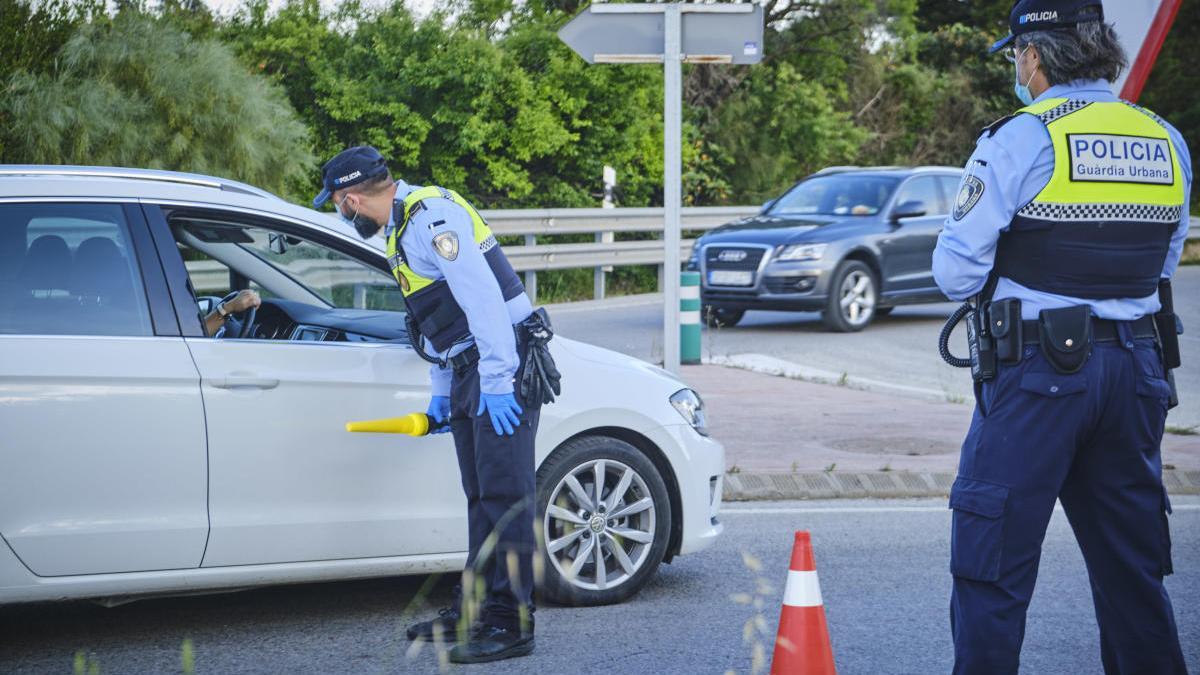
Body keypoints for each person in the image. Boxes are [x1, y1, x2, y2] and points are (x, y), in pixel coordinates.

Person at [932, 1, 1191, 673]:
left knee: (992, 571)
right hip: (1136, 371)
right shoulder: (1164, 138)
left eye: (1017, 56)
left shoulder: (1021, 137)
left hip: (1039, 376)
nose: (1018, 69)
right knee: (1133, 572)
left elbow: (955, 272)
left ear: (1034, 56)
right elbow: (1162, 266)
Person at [314, 146, 559, 664]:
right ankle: (475, 608)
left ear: (352, 198)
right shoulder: (403, 229)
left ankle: (511, 624)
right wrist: (443, 392)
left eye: (338, 204)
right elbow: (437, 319)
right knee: (482, 497)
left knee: (508, 498)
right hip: (471, 369)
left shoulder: (431, 218)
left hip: (500, 369)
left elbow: (484, 300)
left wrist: (497, 379)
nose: (342, 213)